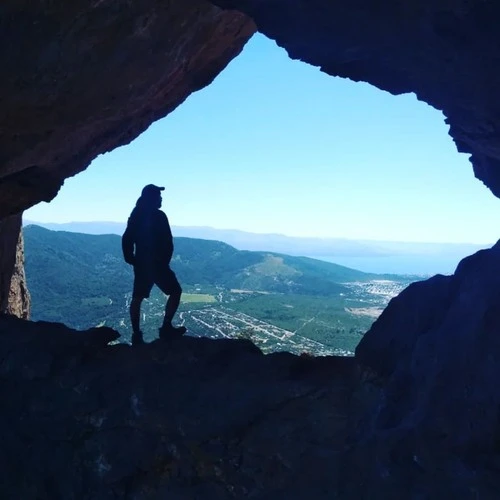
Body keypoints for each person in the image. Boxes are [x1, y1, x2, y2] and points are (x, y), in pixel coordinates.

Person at [122, 184, 186, 345]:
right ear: (152, 198)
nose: (161, 198)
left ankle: (136, 334)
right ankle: (166, 328)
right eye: (158, 196)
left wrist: (130, 257)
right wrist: (164, 260)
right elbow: (167, 241)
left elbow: (127, 237)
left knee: (137, 297)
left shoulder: (136, 215)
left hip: (142, 262)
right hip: (157, 264)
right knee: (175, 291)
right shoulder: (159, 216)